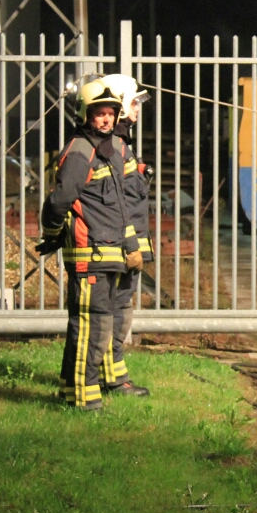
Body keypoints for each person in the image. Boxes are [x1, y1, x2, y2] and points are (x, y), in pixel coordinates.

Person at [37, 77, 143, 411]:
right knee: (91, 327)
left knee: (97, 325)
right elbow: (59, 201)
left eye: (111, 113)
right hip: (90, 255)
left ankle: (73, 392)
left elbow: (120, 207)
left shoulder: (105, 149)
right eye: (100, 113)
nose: (107, 119)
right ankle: (83, 399)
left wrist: (131, 246)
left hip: (106, 253)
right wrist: (53, 233)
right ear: (85, 114)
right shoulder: (81, 151)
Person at [101, 73, 152, 397]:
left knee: (119, 308)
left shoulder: (120, 145)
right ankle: (113, 379)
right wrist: (130, 245)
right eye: (133, 102)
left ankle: (113, 376)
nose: (137, 108)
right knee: (116, 310)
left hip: (125, 244)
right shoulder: (115, 147)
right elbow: (118, 204)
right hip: (121, 247)